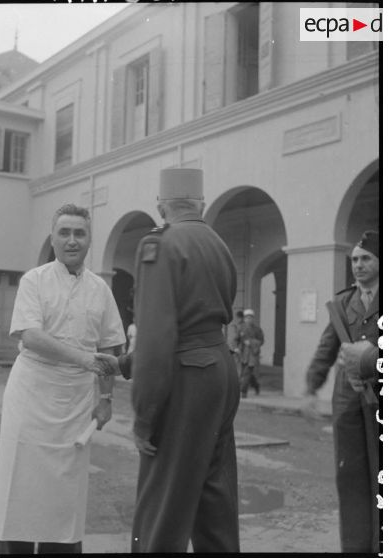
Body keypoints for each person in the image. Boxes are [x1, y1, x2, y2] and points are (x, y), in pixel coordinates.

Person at [0, 204, 126, 555]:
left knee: (64, 500)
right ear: (53, 238)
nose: (72, 240)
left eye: (79, 233)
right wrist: (83, 359)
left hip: (76, 402)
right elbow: (30, 336)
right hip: (31, 394)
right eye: (64, 232)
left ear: (90, 239)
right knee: (19, 491)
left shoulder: (100, 289)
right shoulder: (34, 280)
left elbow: (110, 344)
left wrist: (106, 399)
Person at [129, 168, 240, 552]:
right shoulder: (218, 242)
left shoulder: (160, 244)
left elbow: (157, 338)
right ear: (201, 204)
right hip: (221, 369)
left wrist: (144, 418)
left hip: (186, 378)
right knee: (215, 500)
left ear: (161, 206)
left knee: (162, 505)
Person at [302, 230, 380, 553]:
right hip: (347, 401)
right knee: (350, 477)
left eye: (366, 259)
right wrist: (311, 386)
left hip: (380, 398)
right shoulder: (342, 303)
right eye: (355, 260)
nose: (359, 266)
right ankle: (356, 545)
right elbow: (326, 348)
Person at [237, 308, 264, 398]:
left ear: (253, 319)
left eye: (250, 318)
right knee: (246, 373)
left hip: (253, 353)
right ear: (244, 319)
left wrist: (251, 342)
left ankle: (243, 391)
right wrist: (236, 348)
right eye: (247, 318)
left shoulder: (257, 329)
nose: (249, 319)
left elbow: (261, 341)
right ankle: (256, 385)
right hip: (243, 353)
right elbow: (236, 339)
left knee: (247, 373)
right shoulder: (241, 328)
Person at [227, 310, 244, 376]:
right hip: (233, 347)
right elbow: (233, 338)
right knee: (235, 362)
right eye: (238, 318)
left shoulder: (242, 326)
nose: (239, 319)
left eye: (240, 318)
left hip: (237, 347)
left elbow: (240, 338)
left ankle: (239, 376)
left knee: (238, 363)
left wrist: (237, 348)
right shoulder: (235, 325)